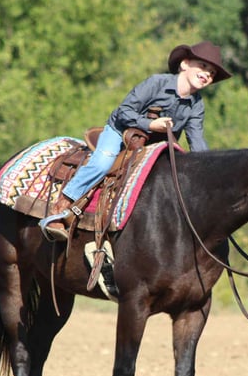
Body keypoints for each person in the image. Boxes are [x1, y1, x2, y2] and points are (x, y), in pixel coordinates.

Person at [42, 40, 232, 240]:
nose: (207, 74)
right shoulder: (156, 83)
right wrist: (151, 124)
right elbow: (124, 111)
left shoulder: (197, 105)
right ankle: (60, 208)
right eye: (203, 66)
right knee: (102, 164)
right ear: (184, 64)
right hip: (120, 133)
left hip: (153, 149)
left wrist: (209, 171)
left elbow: (197, 140)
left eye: (212, 73)